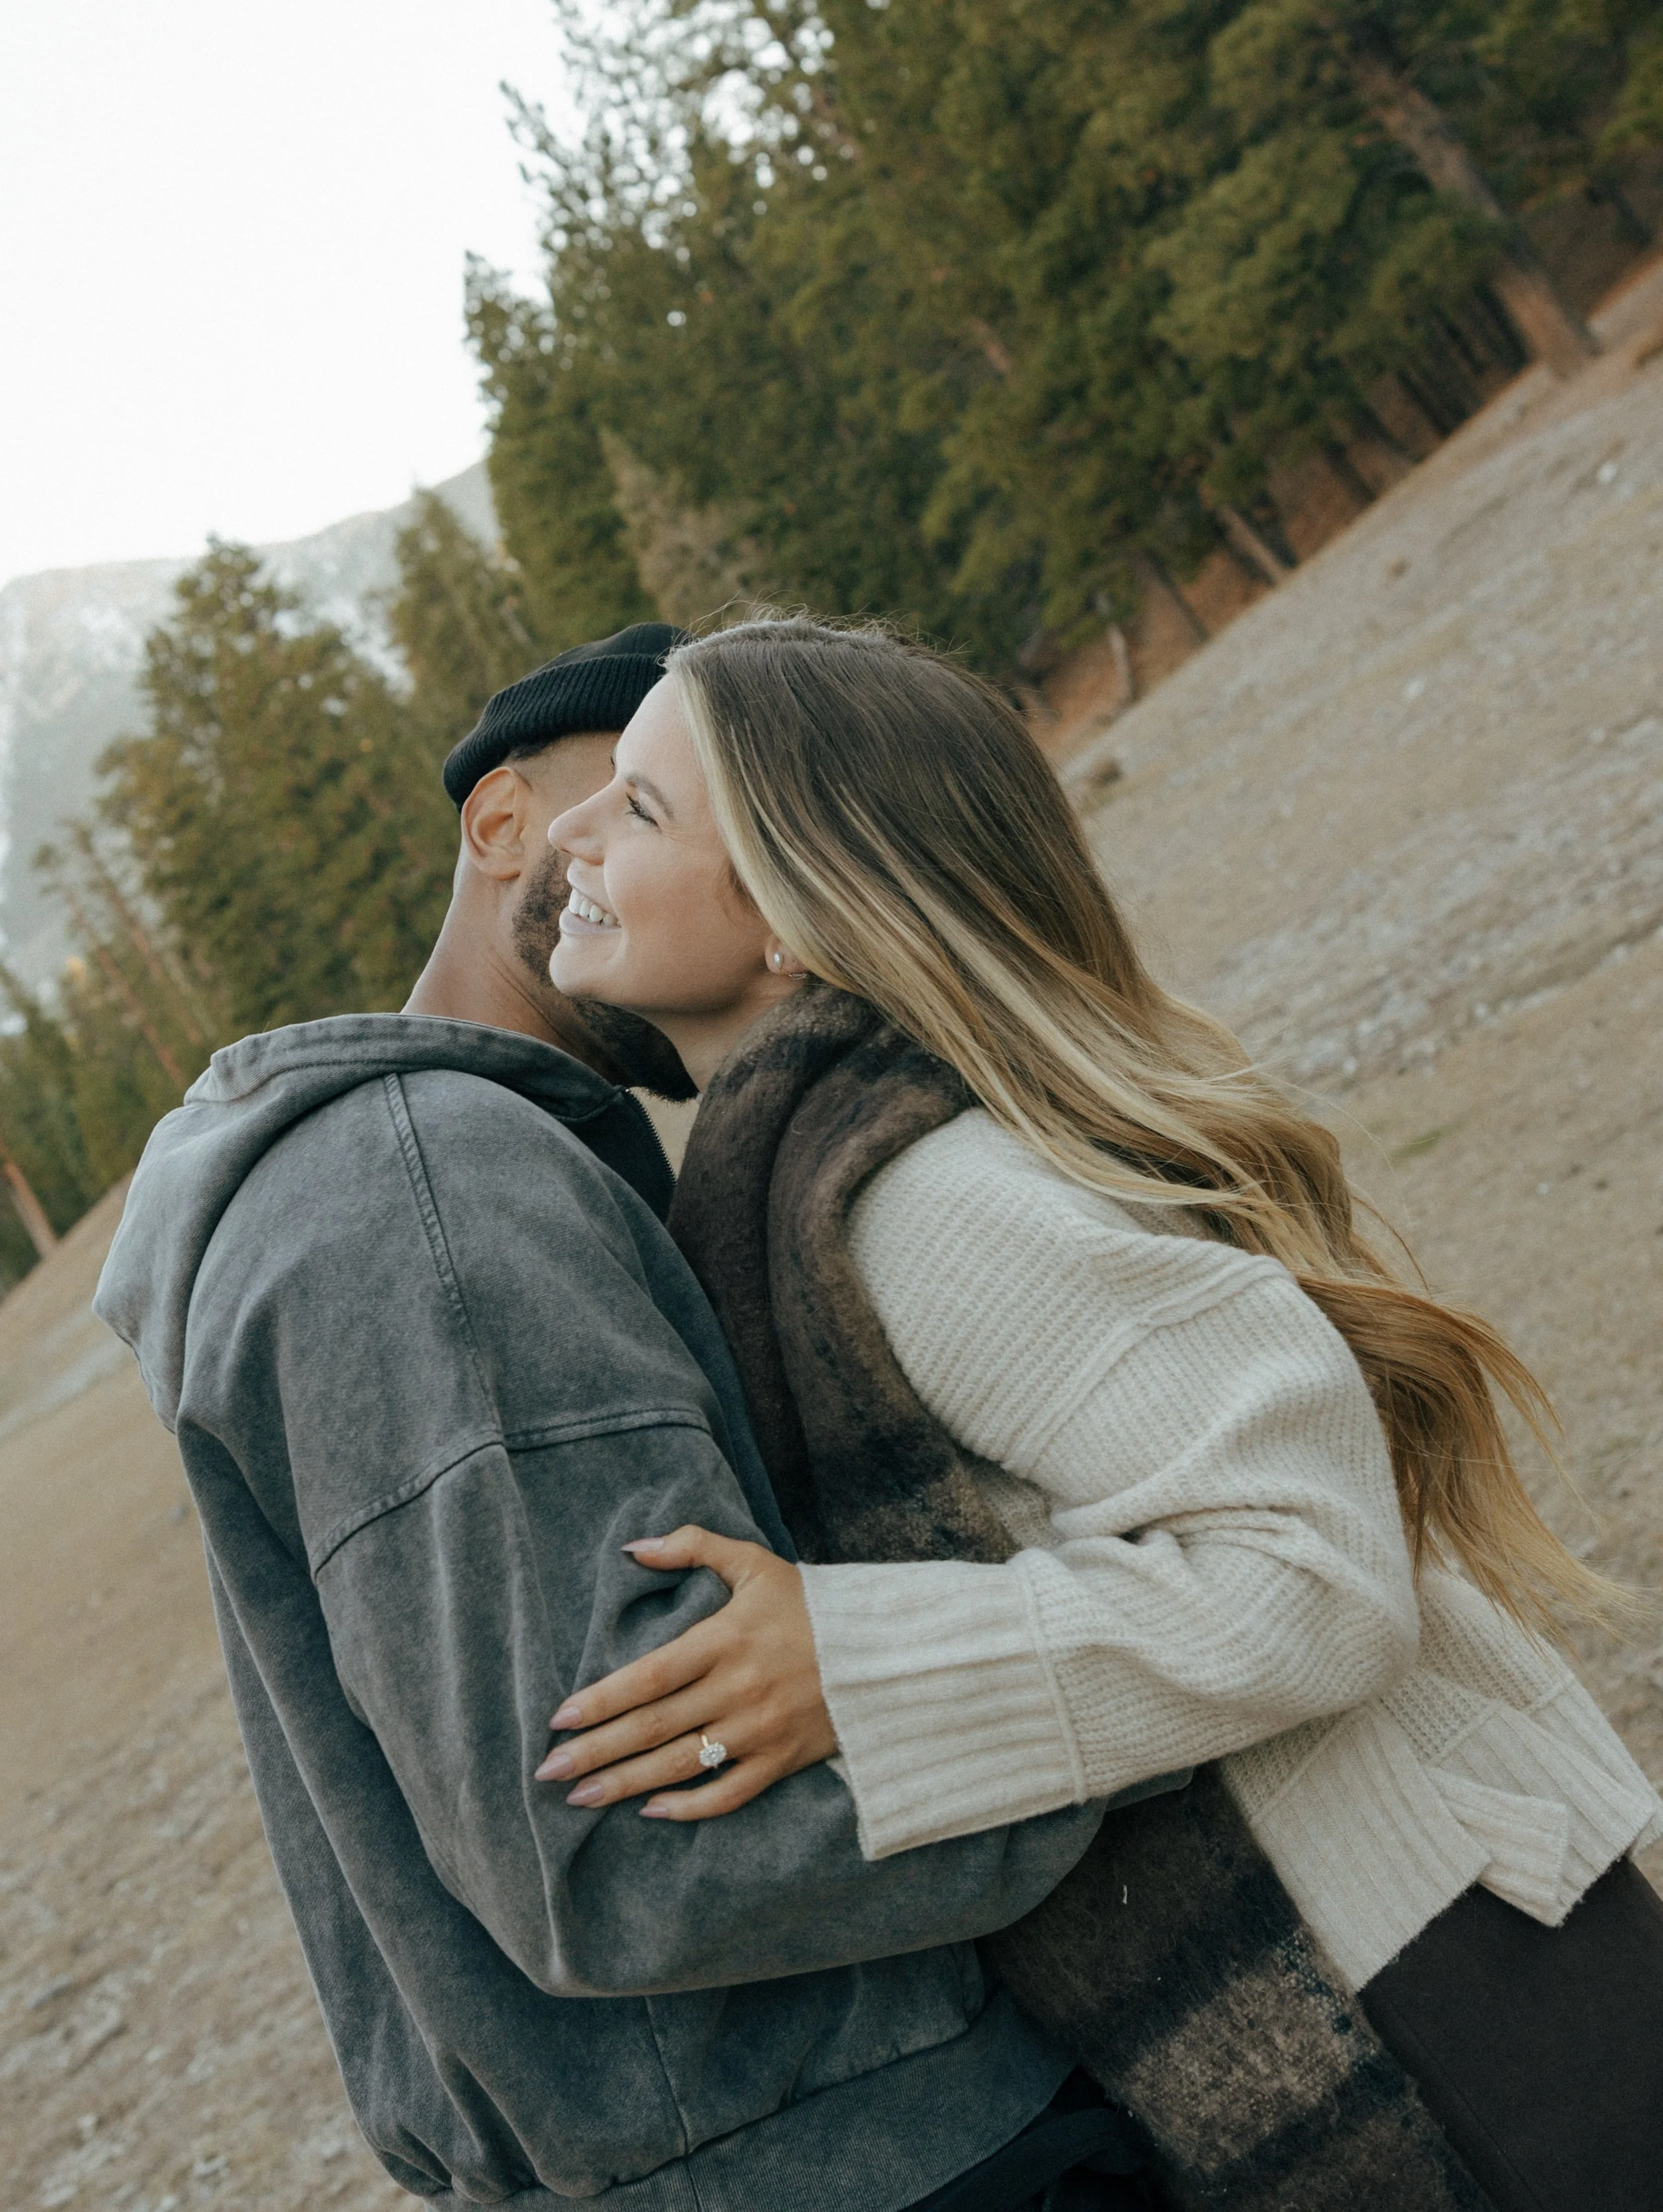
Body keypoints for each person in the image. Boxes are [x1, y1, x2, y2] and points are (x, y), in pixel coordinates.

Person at [539, 615, 1663, 2212]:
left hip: (1451, 1996)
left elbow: (1313, 1573)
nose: (574, 831)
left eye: (639, 809)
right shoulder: (818, 1173)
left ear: (791, 917)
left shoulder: (920, 1206)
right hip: (1397, 1963)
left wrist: (857, 1664)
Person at [93, 626, 1143, 2212]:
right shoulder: (439, 1197)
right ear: (508, 826)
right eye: (644, 799)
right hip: (874, 2151)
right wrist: (1141, 1720)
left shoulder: (446, 1176)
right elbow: (637, 1855)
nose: (712, 863)